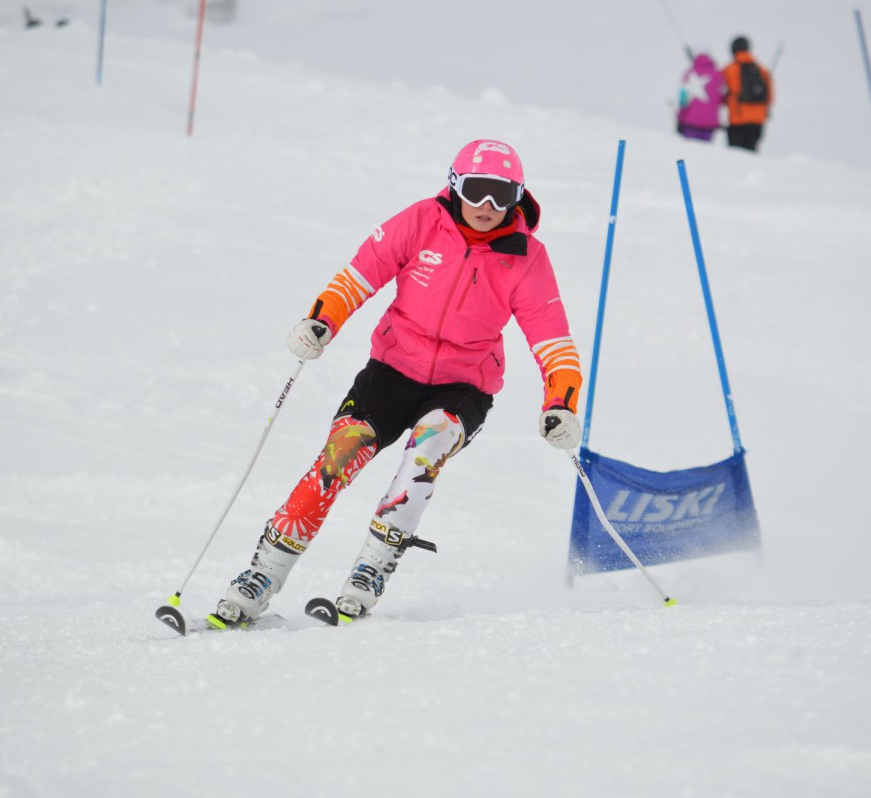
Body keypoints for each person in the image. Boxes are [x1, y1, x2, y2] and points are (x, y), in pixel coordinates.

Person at [210, 140, 585, 627]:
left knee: (425, 454)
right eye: (477, 190)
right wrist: (322, 321)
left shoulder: (527, 257)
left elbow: (553, 340)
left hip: (463, 388)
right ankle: (262, 574)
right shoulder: (422, 221)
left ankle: (371, 570)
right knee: (337, 459)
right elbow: (359, 276)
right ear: (455, 185)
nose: (488, 205)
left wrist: (561, 403)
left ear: (518, 197)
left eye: (502, 194)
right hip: (391, 371)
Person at [721, 36, 773, 152]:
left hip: (737, 119)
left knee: (735, 156)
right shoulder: (762, 70)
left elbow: (718, 90)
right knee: (751, 155)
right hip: (758, 121)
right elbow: (770, 98)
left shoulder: (730, 69)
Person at [676, 52, 725, 142]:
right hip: (710, 123)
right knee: (704, 149)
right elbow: (721, 98)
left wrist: (680, 118)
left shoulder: (689, 73)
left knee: (690, 148)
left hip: (691, 121)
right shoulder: (717, 74)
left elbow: (683, 100)